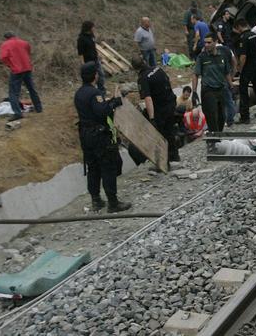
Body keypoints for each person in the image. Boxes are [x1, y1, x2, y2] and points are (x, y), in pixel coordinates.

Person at [75, 61, 132, 213]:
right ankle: (113, 203)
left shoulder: (79, 93)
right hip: (99, 136)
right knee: (108, 167)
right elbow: (101, 111)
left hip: (85, 136)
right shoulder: (94, 94)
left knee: (93, 168)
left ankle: (96, 200)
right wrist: (115, 102)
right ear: (95, 75)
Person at [133, 56, 180, 163]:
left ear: (135, 69)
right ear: (144, 62)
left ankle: (164, 162)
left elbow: (148, 99)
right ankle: (174, 156)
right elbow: (168, 82)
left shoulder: (143, 78)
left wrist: (152, 118)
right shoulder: (157, 69)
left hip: (160, 108)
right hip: (170, 102)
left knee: (160, 135)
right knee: (170, 131)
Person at [192, 33, 234, 133]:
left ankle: (218, 136)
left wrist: (230, 84)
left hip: (221, 89)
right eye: (205, 42)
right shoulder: (202, 57)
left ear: (215, 42)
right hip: (208, 90)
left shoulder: (222, 56)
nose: (206, 45)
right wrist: (194, 92)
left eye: (209, 42)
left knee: (222, 116)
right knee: (211, 115)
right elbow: (195, 75)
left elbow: (226, 72)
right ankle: (214, 140)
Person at [0, 32, 43, 122]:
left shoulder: (5, 44)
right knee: (31, 89)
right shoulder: (24, 42)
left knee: (13, 93)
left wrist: (10, 65)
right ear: (15, 36)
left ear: (6, 38)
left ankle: (18, 113)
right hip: (27, 67)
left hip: (16, 70)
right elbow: (28, 52)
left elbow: (3, 57)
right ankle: (39, 108)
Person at [233, 18, 256, 123]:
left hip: (247, 68)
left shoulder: (243, 38)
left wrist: (240, 69)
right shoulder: (255, 35)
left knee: (243, 91)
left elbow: (243, 56)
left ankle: (245, 117)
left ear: (239, 27)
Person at [77, 21, 105, 93]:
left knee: (101, 76)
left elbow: (93, 47)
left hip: (96, 60)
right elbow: (80, 53)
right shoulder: (81, 39)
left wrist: (98, 55)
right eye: (93, 27)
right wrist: (83, 64)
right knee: (88, 79)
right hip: (88, 62)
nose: (94, 28)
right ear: (88, 28)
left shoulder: (91, 36)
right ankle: (87, 92)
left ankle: (102, 91)